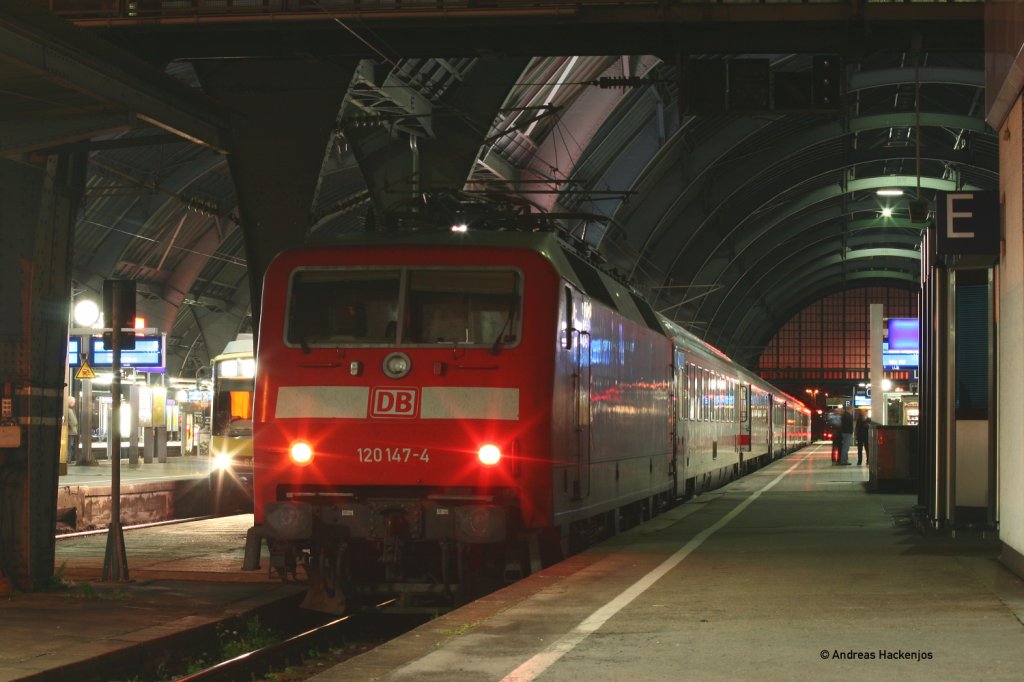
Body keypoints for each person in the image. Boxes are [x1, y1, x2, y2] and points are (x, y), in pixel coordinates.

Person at [65, 396, 79, 464]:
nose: (74, 404)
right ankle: (69, 459)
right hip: (71, 432)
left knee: (70, 446)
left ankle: (69, 459)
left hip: (70, 431)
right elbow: (73, 422)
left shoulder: (67, 410)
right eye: (73, 402)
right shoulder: (69, 411)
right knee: (70, 446)